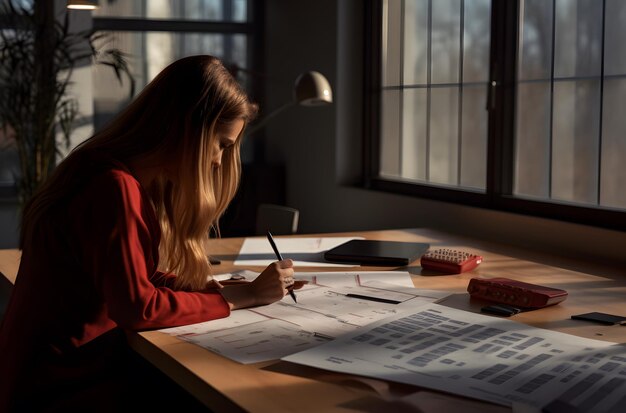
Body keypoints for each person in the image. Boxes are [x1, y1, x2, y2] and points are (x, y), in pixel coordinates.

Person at [0, 55, 304, 412]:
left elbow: (120, 275)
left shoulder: (98, 169)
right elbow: (138, 308)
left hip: (44, 372)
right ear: (187, 129)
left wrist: (193, 287)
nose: (219, 162)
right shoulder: (113, 188)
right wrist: (246, 296)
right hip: (63, 386)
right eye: (221, 144)